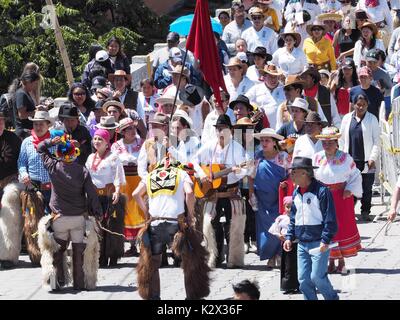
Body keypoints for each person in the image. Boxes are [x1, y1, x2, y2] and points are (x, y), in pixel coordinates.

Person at [133, 155, 210, 300]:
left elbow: (135, 194)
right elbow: (189, 192)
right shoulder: (181, 173)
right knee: (190, 260)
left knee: (153, 262)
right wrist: (190, 215)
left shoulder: (150, 175)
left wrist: (146, 213)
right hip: (176, 224)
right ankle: (192, 297)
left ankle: (153, 297)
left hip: (155, 224)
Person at [36, 133, 103, 291]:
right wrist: (98, 212)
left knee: (58, 251)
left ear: (59, 154)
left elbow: (40, 148)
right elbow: (92, 194)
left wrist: (51, 141)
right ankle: (79, 284)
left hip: (59, 218)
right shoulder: (82, 171)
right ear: (75, 153)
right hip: (78, 218)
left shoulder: (53, 166)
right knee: (79, 252)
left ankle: (58, 282)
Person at [194, 114, 248, 269]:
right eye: (218, 129)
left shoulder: (237, 148)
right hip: (213, 192)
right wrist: (204, 175)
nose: (220, 132)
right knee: (211, 224)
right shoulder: (210, 145)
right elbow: (195, 161)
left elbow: (245, 169)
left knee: (234, 225)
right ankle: (214, 257)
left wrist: (237, 171)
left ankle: (234, 259)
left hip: (231, 191)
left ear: (230, 130)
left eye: (223, 128)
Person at [283, 156, 339, 300]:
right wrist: (289, 237)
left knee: (317, 277)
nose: (292, 175)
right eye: (292, 171)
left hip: (319, 242)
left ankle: (332, 298)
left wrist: (325, 240)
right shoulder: (296, 193)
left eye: (295, 171)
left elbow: (330, 219)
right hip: (302, 243)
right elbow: (294, 218)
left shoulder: (321, 191)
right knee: (303, 280)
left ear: (305, 173)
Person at [314, 126, 362, 274]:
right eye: (324, 142)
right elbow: (311, 176)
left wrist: (350, 189)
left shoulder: (346, 158)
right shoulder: (317, 157)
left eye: (330, 142)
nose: (327, 145)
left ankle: (341, 261)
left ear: (336, 142)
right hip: (323, 197)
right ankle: (330, 261)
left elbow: (355, 175)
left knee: (340, 228)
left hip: (341, 197)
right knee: (327, 228)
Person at [86, 129, 126, 267]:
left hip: (110, 195)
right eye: (95, 139)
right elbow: (87, 177)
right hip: (95, 196)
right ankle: (100, 256)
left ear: (106, 142)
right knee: (97, 226)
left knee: (112, 226)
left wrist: (117, 191)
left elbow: (117, 175)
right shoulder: (90, 157)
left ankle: (113, 255)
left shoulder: (113, 157)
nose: (96, 142)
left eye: (100, 139)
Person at [340, 93, 380, 222]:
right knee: (350, 187)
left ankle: (365, 211)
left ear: (367, 105)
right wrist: (341, 156)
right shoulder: (346, 118)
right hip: (350, 160)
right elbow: (341, 139)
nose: (361, 107)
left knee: (366, 188)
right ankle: (349, 211)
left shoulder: (372, 119)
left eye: (363, 105)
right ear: (354, 105)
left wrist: (373, 157)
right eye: (358, 104)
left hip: (366, 159)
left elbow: (376, 141)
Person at [252, 128, 289, 268]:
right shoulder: (257, 156)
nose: (264, 143)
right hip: (262, 199)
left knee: (279, 226)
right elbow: (251, 175)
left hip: (279, 198)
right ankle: (269, 256)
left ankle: (279, 254)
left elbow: (291, 175)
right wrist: (251, 194)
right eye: (262, 140)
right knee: (265, 229)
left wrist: (286, 188)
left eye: (267, 140)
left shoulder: (283, 157)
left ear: (274, 142)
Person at [111, 118, 145, 257]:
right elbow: (115, 164)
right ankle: (131, 246)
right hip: (125, 181)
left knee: (140, 210)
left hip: (138, 179)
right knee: (127, 212)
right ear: (123, 132)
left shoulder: (142, 143)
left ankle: (143, 243)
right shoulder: (116, 146)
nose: (132, 131)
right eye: (129, 129)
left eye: (133, 128)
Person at [18, 110, 55, 214]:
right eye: (35, 124)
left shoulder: (55, 142)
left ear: (48, 125)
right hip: (32, 187)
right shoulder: (27, 142)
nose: (38, 127)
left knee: (52, 220)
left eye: (41, 124)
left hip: (52, 188)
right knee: (32, 219)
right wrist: (24, 174)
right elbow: (21, 162)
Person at [0, 111, 22, 269]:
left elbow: (20, 162)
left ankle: (7, 256)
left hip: (9, 182)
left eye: (1, 121)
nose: (0, 124)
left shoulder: (13, 138)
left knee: (9, 219)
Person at [273, 196, 300, 294]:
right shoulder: (281, 218)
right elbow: (274, 229)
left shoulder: (299, 218)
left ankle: (299, 285)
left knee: (298, 265)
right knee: (288, 266)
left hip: (297, 244)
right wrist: (279, 235)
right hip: (286, 246)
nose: (289, 209)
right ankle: (288, 286)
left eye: (291, 207)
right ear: (284, 206)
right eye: (287, 207)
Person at [137, 112, 170, 180]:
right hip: (152, 181)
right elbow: (141, 167)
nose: (153, 129)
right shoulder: (148, 143)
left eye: (156, 126)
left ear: (165, 127)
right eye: (152, 126)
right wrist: (149, 180)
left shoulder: (174, 143)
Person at [14, 71, 40, 139]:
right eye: (35, 83)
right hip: (24, 133)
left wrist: (38, 108)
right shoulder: (21, 94)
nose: (36, 86)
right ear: (29, 82)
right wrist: (37, 111)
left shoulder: (26, 93)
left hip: (27, 132)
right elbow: (22, 115)